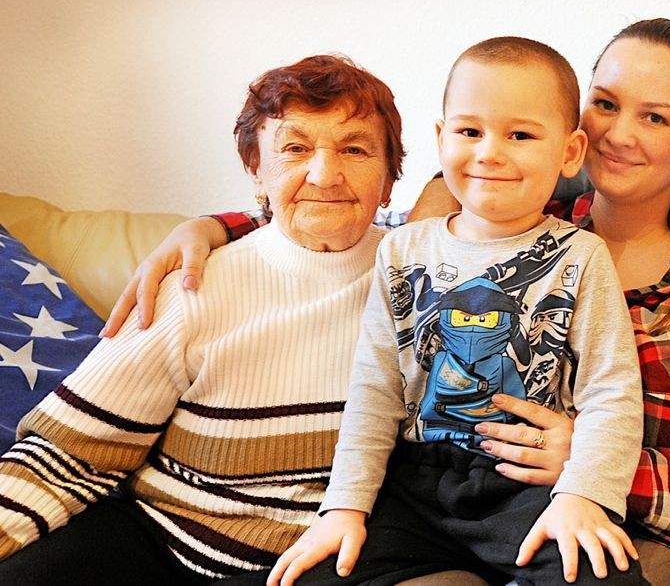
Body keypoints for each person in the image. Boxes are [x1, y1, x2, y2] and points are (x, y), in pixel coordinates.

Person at [103, 19, 670, 585]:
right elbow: (341, 239)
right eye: (605, 104)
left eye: (655, 116)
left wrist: (596, 475)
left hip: (603, 518)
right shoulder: (458, 228)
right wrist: (215, 226)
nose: (618, 133)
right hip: (423, 486)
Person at [0, 54, 406, 583]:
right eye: (295, 148)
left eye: (355, 149)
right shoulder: (196, 281)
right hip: (161, 538)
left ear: (389, 179)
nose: (325, 174)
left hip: (326, 555)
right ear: (257, 172)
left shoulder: (424, 279)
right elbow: (73, 451)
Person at [262, 36, 645, 586]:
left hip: (525, 481)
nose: (489, 151)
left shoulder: (581, 255)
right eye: (470, 131)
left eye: (520, 134)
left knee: (600, 573)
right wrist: (344, 507)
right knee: (316, 575)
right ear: (441, 139)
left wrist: (585, 496)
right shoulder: (402, 250)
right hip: (413, 481)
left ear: (569, 152)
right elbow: (375, 390)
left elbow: (611, 391)